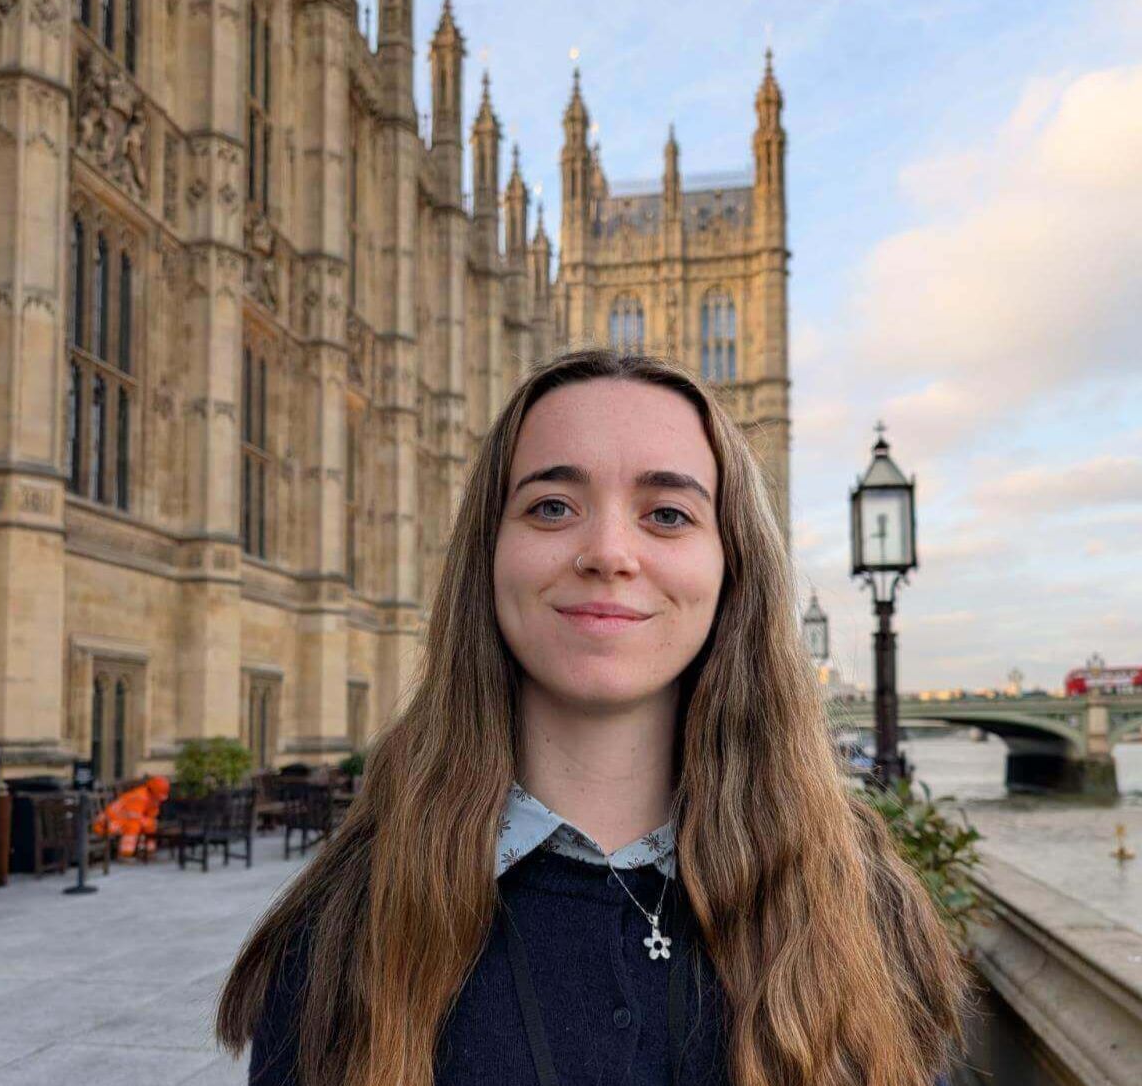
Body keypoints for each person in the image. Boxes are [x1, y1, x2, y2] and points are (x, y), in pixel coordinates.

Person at [217, 350, 970, 1085]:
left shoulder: (865, 911)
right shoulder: (344, 929)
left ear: (732, 566)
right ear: (487, 554)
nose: (609, 552)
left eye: (668, 514)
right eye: (552, 507)